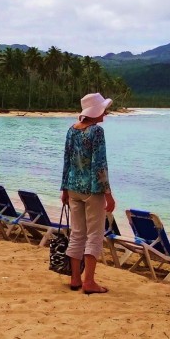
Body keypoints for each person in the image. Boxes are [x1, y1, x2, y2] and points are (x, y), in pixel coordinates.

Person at [60, 92, 116, 295]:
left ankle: (75, 278)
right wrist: (108, 193)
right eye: (104, 110)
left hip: (73, 187)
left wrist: (64, 189)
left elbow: (67, 161)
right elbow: (100, 164)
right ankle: (89, 282)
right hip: (92, 190)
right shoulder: (96, 131)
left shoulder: (72, 130)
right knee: (94, 235)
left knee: (77, 234)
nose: (105, 113)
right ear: (96, 111)